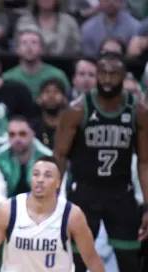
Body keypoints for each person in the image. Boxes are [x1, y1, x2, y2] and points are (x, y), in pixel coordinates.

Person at [54, 51, 148, 272]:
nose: (107, 79)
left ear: (124, 76)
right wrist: (53, 198)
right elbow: (59, 157)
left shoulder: (139, 111)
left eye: (114, 74)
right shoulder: (77, 110)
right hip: (85, 192)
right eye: (102, 73)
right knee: (75, 262)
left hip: (121, 192)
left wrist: (147, 206)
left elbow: (144, 162)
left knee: (130, 262)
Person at [0, 156, 105, 272]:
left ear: (58, 183)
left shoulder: (72, 214)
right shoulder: (8, 209)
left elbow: (91, 257)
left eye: (47, 175)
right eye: (36, 174)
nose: (40, 179)